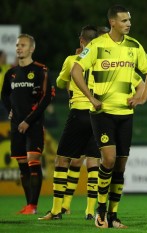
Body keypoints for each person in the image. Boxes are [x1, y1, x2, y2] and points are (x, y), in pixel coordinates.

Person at [70, 5, 147, 229]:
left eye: (129, 20)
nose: (129, 23)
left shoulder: (134, 46)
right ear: (113, 23)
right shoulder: (97, 45)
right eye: (124, 20)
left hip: (125, 114)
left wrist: (143, 97)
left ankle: (114, 214)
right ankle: (100, 210)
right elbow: (76, 71)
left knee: (120, 166)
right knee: (108, 159)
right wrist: (91, 98)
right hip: (103, 113)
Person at [38, 25, 108, 221]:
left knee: (62, 159)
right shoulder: (103, 61)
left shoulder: (72, 60)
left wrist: (69, 80)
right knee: (94, 162)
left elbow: (60, 83)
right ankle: (90, 210)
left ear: (81, 41)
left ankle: (56, 210)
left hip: (79, 112)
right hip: (98, 114)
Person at [1, 34, 54, 214]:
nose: (18, 48)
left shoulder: (41, 70)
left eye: (22, 45)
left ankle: (33, 205)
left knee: (33, 161)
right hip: (16, 125)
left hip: (34, 124)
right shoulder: (11, 73)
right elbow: (4, 95)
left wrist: (28, 121)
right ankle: (28, 204)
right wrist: (10, 110)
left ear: (31, 49)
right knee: (22, 164)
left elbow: (46, 98)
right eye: (17, 45)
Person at [0, 50, 11, 120]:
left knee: (6, 120)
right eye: (4, 56)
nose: (6, 58)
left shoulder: (7, 67)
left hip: (5, 100)